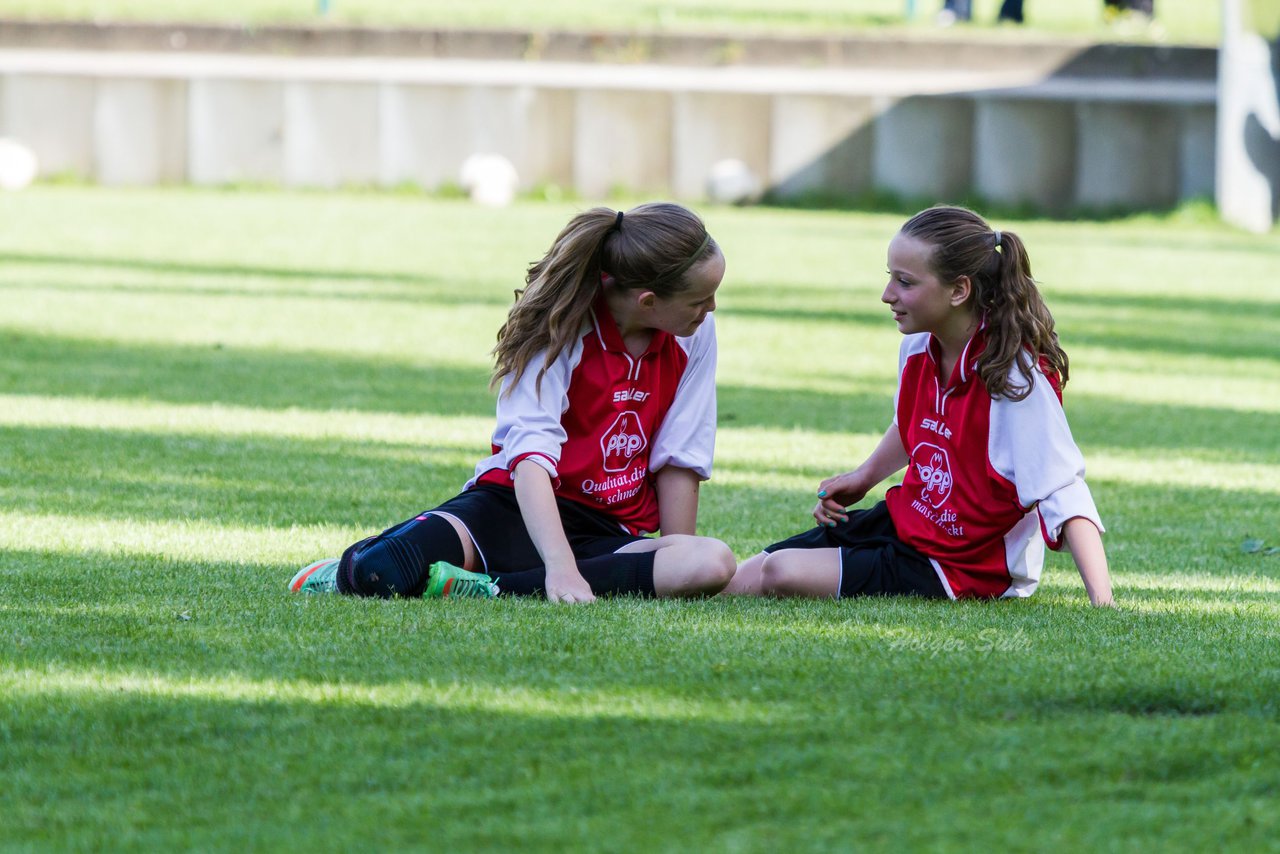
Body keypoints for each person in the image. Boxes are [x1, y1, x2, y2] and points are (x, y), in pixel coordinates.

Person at [291, 202, 735, 603]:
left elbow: (681, 452)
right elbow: (530, 459)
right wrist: (559, 570)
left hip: (610, 533)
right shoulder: (562, 324)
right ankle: (346, 570)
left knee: (710, 563)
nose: (711, 308)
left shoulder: (693, 334)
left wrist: (681, 558)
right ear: (649, 301)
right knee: (379, 572)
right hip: (511, 510)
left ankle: (492, 588)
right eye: (701, 300)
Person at [723, 205, 1114, 606]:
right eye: (889, 277)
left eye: (905, 282)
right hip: (905, 522)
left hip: (961, 567)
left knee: (780, 572)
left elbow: (1063, 489)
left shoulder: (1013, 378)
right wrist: (863, 477)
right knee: (739, 576)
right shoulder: (916, 346)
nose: (887, 295)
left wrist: (1104, 604)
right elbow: (912, 426)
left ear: (959, 290)